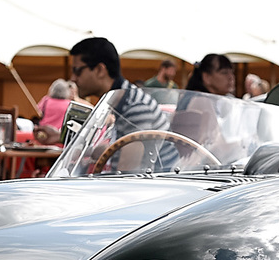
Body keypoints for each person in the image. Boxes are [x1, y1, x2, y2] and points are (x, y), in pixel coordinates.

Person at [70, 36, 175, 169]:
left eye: (77, 71)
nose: (73, 78)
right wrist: (86, 151)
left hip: (158, 185)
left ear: (100, 70)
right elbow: (120, 150)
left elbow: (127, 170)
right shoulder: (123, 99)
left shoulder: (135, 106)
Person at [32, 79, 73, 144]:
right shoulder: (70, 104)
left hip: (43, 135)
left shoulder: (45, 100)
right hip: (60, 136)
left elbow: (38, 110)